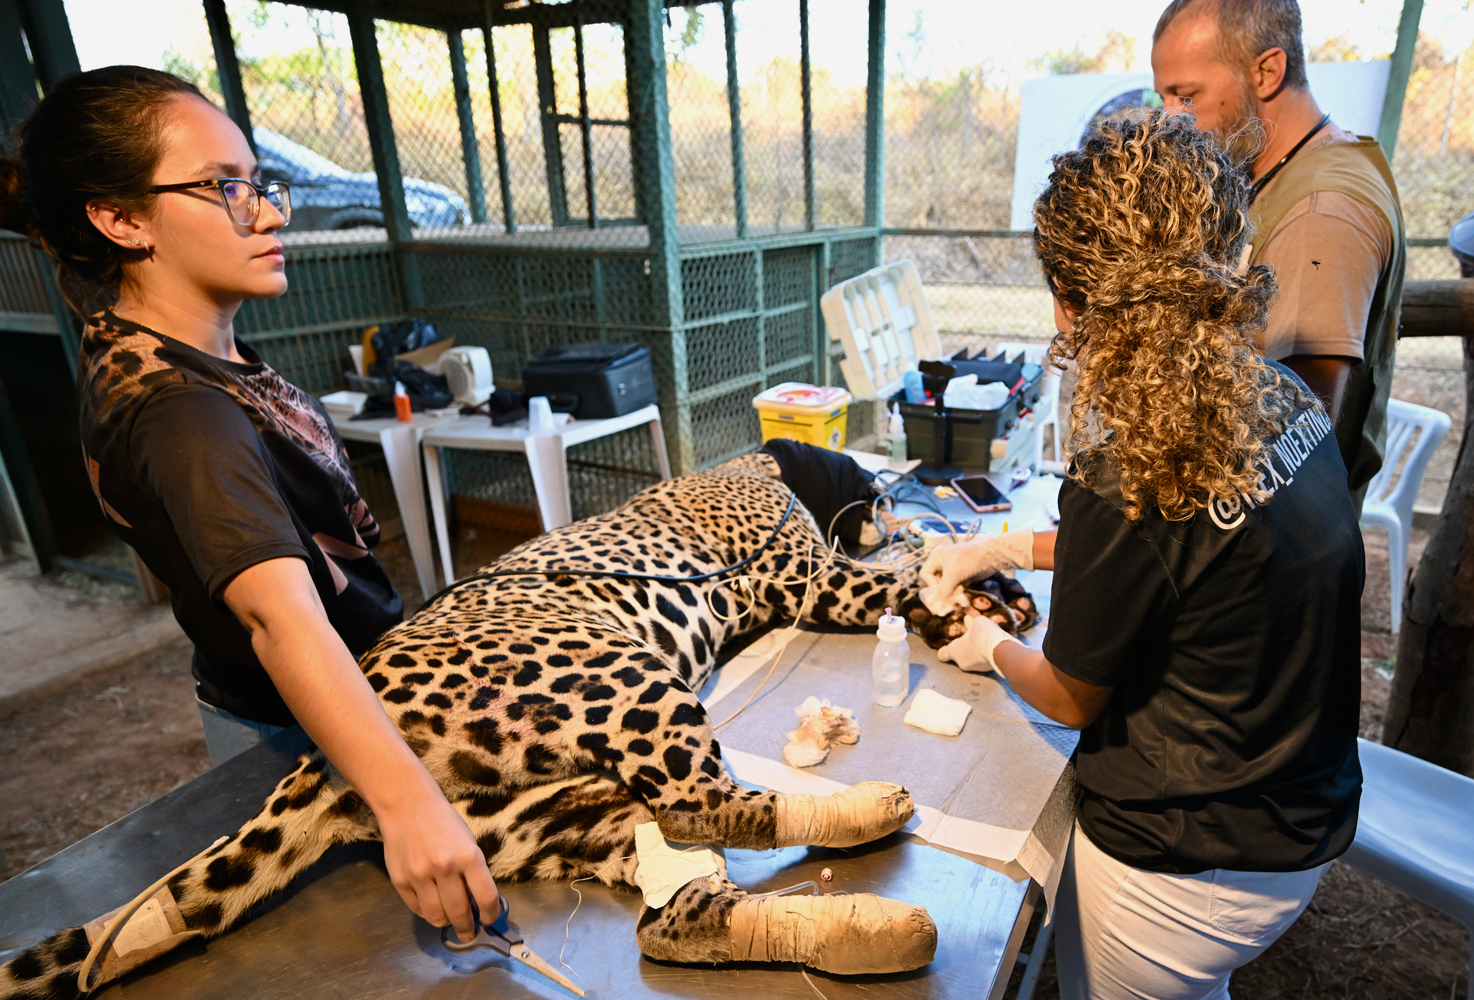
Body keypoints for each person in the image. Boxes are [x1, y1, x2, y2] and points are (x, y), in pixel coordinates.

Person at [0, 66, 498, 943]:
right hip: (306, 735)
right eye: (223, 188)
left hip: (295, 704)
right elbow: (281, 622)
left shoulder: (165, 345)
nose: (271, 212)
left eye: (259, 182)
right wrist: (408, 805)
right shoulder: (182, 412)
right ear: (119, 219)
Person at [922, 111, 1363, 999]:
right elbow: (1194, 554)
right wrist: (1009, 544)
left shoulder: (1132, 467)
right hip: (1300, 815)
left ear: (1078, 301)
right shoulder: (1275, 396)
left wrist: (987, 643)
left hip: (1182, 870)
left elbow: (1070, 695)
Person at [1151, 0, 1405, 507]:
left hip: (1265, 561)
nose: (1170, 119)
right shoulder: (1279, 174)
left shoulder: (1320, 213)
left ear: (1267, 71)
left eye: (1185, 96)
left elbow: (1293, 447)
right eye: (1163, 97)